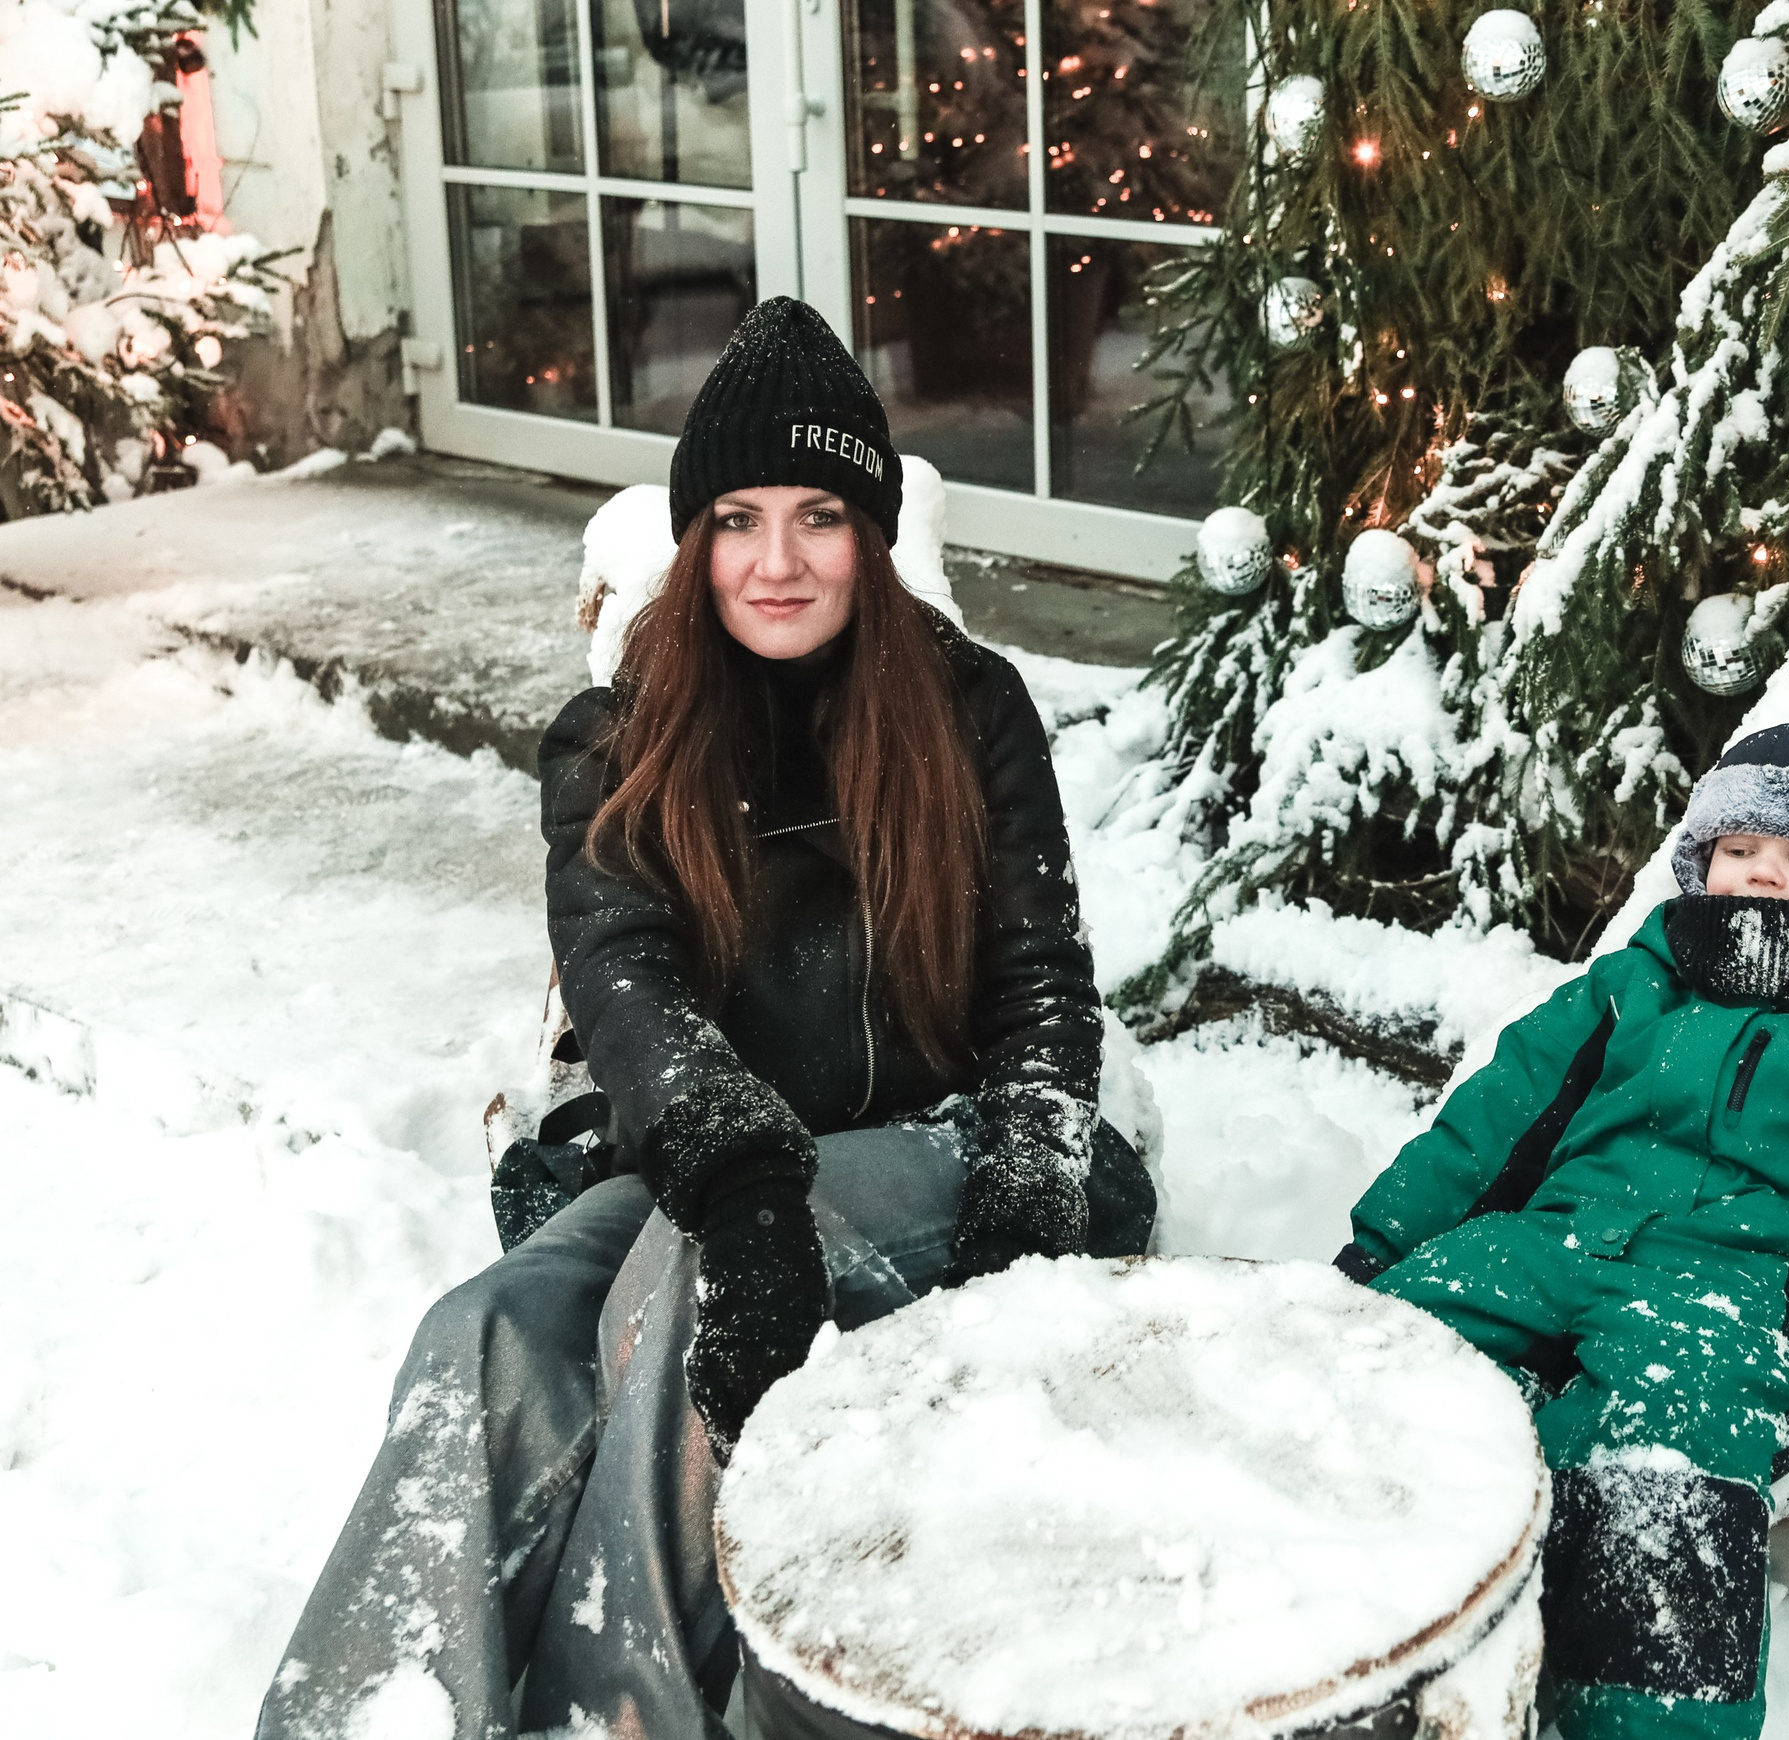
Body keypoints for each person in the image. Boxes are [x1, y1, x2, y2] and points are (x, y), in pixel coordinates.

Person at [257, 297, 1151, 1740]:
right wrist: (737, 1182)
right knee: (485, 1332)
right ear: (696, 540)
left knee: (680, 1289)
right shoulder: (618, 738)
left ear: (869, 533)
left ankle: (624, 1715)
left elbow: (1043, 981)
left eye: (819, 518)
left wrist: (1028, 1192)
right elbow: (625, 981)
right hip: (714, 1163)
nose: (777, 562)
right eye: (738, 520)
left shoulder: (970, 708)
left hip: (935, 1150)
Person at [1331, 724, 1789, 1740]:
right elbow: (1496, 1118)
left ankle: (1640, 1717)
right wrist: (1379, 1249)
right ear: (1699, 861)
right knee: (1397, 1360)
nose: (1763, 873)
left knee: (1665, 1445)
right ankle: (1353, 1638)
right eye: (1739, 848)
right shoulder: (1630, 985)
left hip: (1733, 1287)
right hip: (1550, 1240)